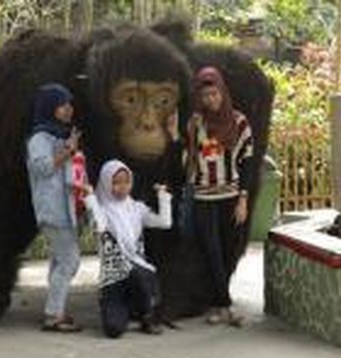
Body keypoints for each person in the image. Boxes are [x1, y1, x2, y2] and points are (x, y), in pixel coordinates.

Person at [185, 66, 254, 327]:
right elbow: (188, 156)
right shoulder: (195, 123)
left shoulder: (239, 122)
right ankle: (225, 306)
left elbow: (247, 161)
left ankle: (220, 304)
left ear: (223, 92)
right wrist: (173, 135)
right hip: (203, 196)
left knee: (227, 250)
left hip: (231, 195)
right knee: (210, 250)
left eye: (214, 94)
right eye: (205, 96)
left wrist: (244, 199)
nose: (211, 100)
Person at [83, 160, 172, 338]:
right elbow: (99, 227)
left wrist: (163, 196)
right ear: (107, 184)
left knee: (139, 272)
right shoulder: (102, 210)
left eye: (126, 182)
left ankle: (146, 314)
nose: (123, 187)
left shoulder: (136, 208)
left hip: (135, 274)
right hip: (113, 279)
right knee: (113, 330)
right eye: (116, 182)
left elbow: (164, 222)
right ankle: (127, 311)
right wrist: (90, 197)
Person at [25, 82, 84, 332]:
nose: (68, 109)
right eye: (62, 105)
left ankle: (55, 310)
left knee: (59, 260)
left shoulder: (59, 134)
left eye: (69, 104)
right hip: (53, 209)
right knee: (71, 260)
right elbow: (41, 168)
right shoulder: (39, 137)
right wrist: (68, 151)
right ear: (50, 107)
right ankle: (53, 314)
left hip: (66, 208)